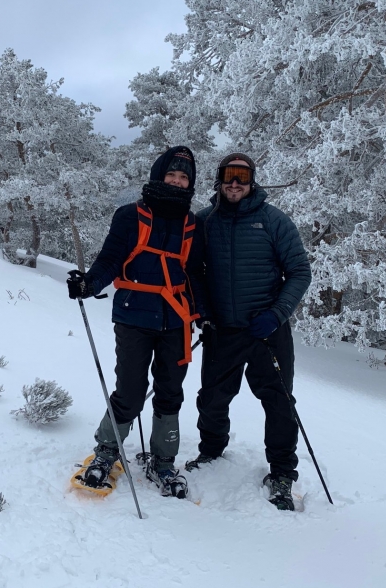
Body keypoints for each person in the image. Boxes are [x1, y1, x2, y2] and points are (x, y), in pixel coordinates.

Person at [67, 145, 206, 500]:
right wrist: (89, 284)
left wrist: (204, 313)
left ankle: (163, 461)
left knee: (170, 391)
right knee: (129, 390)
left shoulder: (192, 224)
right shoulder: (129, 216)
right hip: (133, 314)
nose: (176, 182)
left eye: (183, 177)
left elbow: (195, 274)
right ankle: (107, 451)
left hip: (176, 319)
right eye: (171, 175)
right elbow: (111, 259)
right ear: (159, 177)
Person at [185, 153, 311, 511]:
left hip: (267, 330)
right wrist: (204, 313)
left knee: (279, 402)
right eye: (229, 175)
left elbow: (300, 272)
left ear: (252, 180)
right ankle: (211, 451)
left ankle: (283, 472)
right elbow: (194, 272)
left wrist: (277, 314)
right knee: (212, 397)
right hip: (223, 328)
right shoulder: (205, 222)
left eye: (242, 176)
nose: (235, 182)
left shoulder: (274, 221)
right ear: (219, 180)